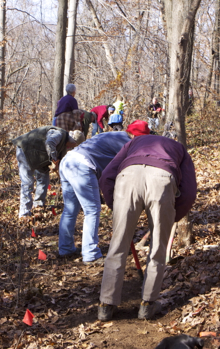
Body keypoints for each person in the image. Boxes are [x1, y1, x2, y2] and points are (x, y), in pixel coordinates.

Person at [97, 120, 197, 321]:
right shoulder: (179, 148)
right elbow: (189, 192)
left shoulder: (133, 144)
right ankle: (147, 304)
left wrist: (114, 205)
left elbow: (106, 176)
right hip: (162, 179)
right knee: (158, 247)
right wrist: (173, 216)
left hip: (128, 178)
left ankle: (106, 305)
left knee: (117, 245)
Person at [58, 131, 131, 264]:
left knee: (70, 209)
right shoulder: (127, 143)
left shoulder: (111, 135)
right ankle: (90, 254)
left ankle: (65, 248)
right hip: (82, 166)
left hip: (67, 161)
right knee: (92, 210)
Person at [12, 126, 85, 218]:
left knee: (44, 178)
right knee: (28, 183)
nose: (72, 148)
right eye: (74, 146)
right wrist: (53, 160)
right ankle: (24, 214)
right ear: (74, 142)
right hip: (25, 150)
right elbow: (50, 143)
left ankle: (38, 205)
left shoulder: (64, 145)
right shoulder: (58, 134)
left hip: (38, 156)